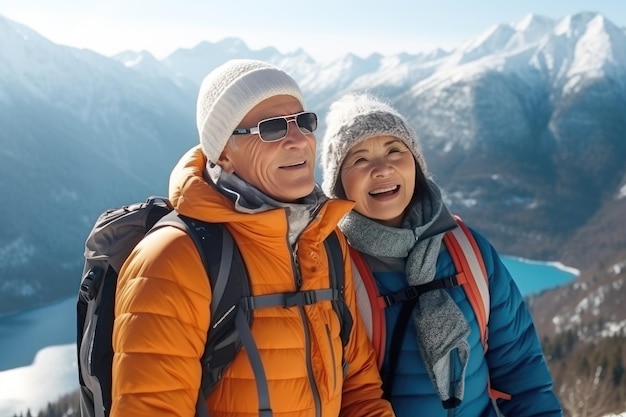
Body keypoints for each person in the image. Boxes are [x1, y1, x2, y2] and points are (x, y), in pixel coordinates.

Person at [111, 60, 395, 417]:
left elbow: (360, 390)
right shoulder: (174, 258)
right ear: (224, 154)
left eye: (303, 121)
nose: (298, 140)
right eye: (272, 128)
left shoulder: (325, 241)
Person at [320, 92, 563, 416]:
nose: (382, 168)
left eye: (395, 150)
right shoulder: (332, 271)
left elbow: (521, 372)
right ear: (338, 184)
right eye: (360, 159)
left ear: (416, 165)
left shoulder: (468, 251)